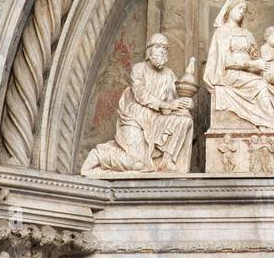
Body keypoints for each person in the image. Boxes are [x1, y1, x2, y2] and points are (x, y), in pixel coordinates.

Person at [81, 33, 194, 175]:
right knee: (138, 165)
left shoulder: (169, 75)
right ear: (149, 50)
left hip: (157, 120)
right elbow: (141, 95)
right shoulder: (139, 69)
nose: (162, 50)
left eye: (165, 48)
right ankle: (100, 154)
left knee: (185, 120)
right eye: (158, 46)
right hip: (135, 119)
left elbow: (171, 105)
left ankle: (167, 159)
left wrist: (185, 103)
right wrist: (167, 105)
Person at [203, 0, 274, 131]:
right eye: (239, 8)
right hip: (230, 75)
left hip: (249, 73)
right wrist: (251, 64)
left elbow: (256, 56)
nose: (242, 12)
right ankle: (270, 123)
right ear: (230, 9)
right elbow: (225, 61)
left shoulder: (246, 33)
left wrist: (266, 65)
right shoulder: (222, 32)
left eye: (243, 10)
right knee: (261, 84)